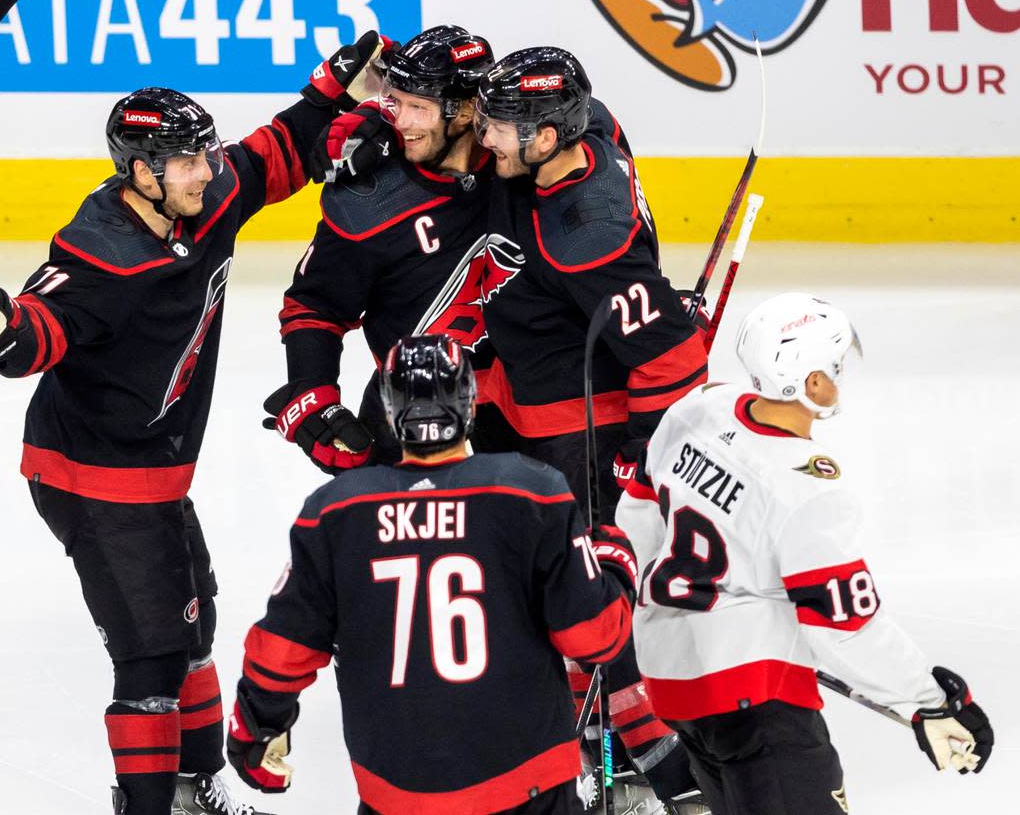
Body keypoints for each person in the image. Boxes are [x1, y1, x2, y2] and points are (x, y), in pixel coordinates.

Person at [0, 32, 387, 815]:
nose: (205, 170)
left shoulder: (205, 198)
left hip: (154, 471)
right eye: (185, 161)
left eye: (203, 155)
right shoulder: (99, 252)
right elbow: (34, 334)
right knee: (151, 650)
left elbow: (275, 154)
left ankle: (190, 790)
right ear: (140, 173)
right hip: (92, 478)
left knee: (195, 622)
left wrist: (329, 94)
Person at [226, 334, 640, 814]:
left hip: (397, 794)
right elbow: (597, 638)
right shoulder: (533, 493)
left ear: (388, 408)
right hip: (528, 787)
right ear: (469, 401)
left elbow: (284, 645)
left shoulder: (336, 512)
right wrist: (614, 563)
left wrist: (258, 726)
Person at [616, 292, 994, 815]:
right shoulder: (809, 488)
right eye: (834, 366)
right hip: (756, 707)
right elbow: (846, 627)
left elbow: (634, 521)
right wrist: (929, 701)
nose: (840, 376)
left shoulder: (697, 409)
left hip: (671, 685)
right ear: (811, 382)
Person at [472, 46, 709, 804]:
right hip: (533, 404)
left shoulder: (582, 236)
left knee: (587, 590)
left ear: (546, 137)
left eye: (502, 129)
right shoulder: (592, 126)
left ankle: (634, 743)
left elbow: (672, 356)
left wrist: (640, 453)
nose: (487, 140)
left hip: (581, 433)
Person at [264, 24, 512, 473]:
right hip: (411, 400)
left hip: (523, 395)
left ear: (469, 110)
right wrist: (311, 392)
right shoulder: (368, 197)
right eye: (395, 103)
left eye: (419, 107)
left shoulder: (518, 160)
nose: (403, 121)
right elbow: (314, 305)